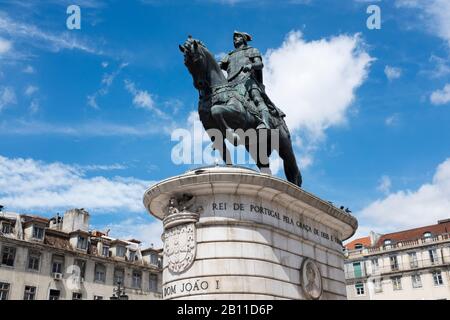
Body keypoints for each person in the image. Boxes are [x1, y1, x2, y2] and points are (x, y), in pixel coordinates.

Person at [219, 31, 271, 130]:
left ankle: (265, 122)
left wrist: (251, 65)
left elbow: (260, 64)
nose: (234, 39)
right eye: (234, 38)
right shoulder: (229, 55)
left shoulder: (251, 50)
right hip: (230, 83)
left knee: (256, 97)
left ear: (243, 38)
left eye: (237, 37)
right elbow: (218, 66)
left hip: (247, 79)